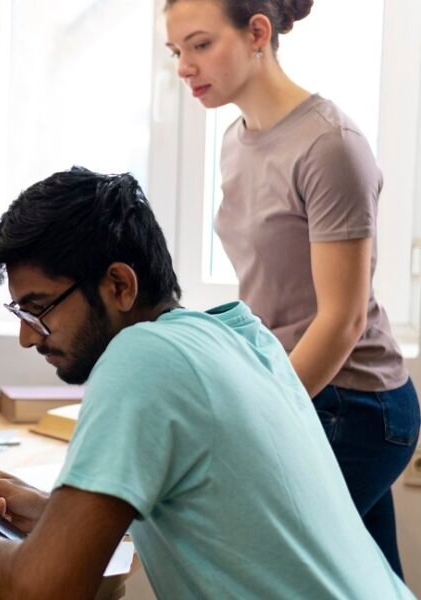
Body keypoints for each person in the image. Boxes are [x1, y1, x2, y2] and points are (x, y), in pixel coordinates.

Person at [0, 167, 414, 599]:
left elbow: (46, 588)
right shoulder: (241, 336)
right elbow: (228, 515)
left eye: (39, 308)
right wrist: (54, 514)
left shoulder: (141, 358)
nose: (27, 337)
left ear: (119, 286)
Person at [164, 0, 420, 576]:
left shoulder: (330, 146)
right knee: (369, 584)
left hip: (355, 405)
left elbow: (342, 319)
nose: (184, 66)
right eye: (176, 51)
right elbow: (269, 290)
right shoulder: (237, 139)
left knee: (264, 572)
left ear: (258, 33)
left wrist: (264, 408)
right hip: (308, 390)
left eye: (200, 45)